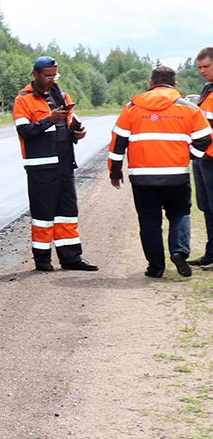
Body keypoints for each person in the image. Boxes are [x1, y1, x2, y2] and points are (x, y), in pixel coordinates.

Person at [108, 64, 212, 278]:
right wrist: (190, 155)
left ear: (151, 83)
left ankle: (155, 268)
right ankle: (179, 251)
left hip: (142, 176)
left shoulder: (131, 108)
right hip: (176, 174)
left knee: (149, 220)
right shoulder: (189, 108)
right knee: (180, 213)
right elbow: (205, 138)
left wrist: (115, 171)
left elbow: (118, 142)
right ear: (175, 84)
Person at [12, 56, 98, 272]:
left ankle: (71, 259)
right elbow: (25, 132)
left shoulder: (61, 95)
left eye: (54, 75)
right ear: (36, 74)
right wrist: (49, 119)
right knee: (42, 216)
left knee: (68, 214)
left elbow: (69, 124)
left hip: (64, 164)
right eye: (48, 75)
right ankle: (42, 261)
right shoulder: (23, 99)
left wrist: (77, 132)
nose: (51, 79)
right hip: (41, 168)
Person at [193, 47, 213, 266]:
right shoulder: (207, 89)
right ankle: (210, 254)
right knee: (206, 207)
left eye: (206, 67)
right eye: (199, 67)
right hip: (203, 158)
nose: (201, 71)